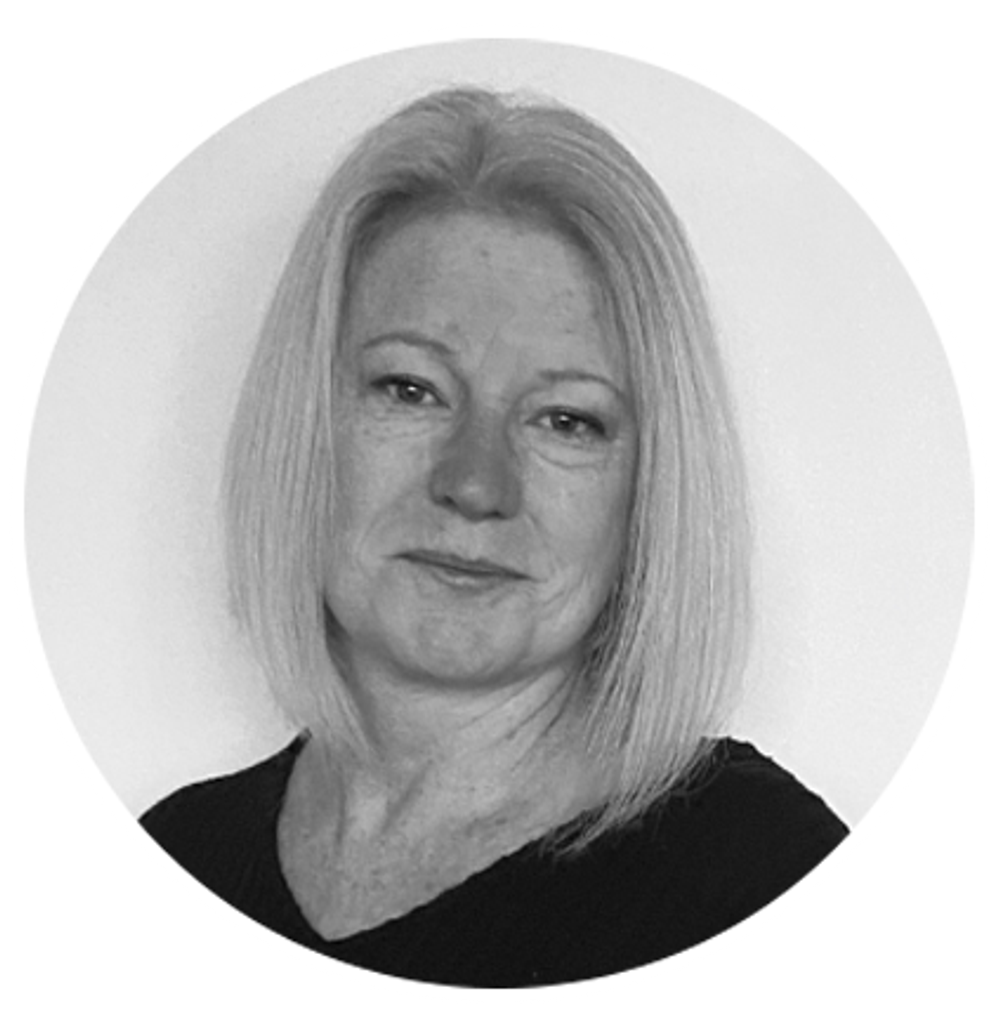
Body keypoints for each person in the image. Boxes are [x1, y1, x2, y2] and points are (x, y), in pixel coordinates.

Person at [141, 86, 847, 986]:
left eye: (566, 420)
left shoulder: (770, 879)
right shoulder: (178, 849)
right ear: (305, 425)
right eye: (410, 389)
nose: (476, 485)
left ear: (651, 487)